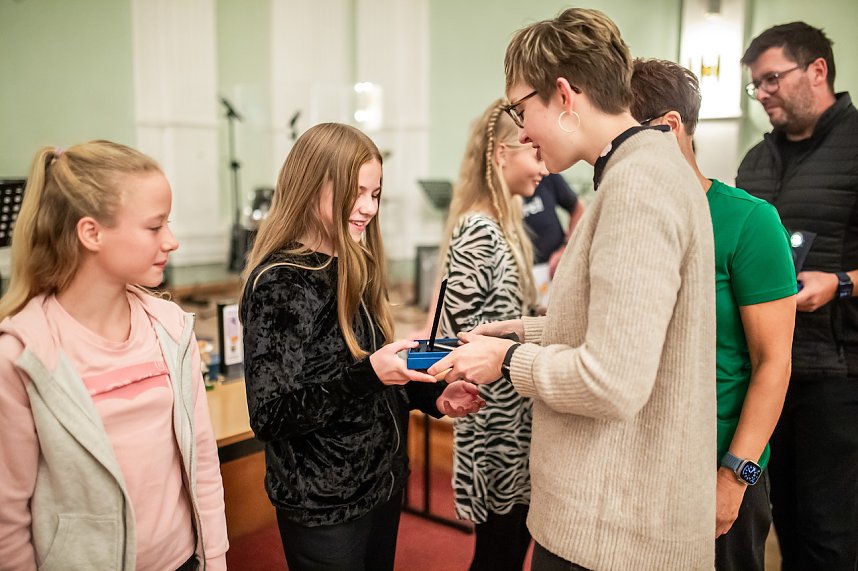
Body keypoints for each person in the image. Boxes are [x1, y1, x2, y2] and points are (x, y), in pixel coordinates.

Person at [430, 8, 717, 570]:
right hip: (611, 519)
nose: (524, 130)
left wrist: (508, 359)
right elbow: (626, 324)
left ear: (563, 95)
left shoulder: (638, 186)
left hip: (614, 533)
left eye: (520, 109)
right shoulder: (640, 169)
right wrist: (521, 329)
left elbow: (611, 383)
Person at [239, 122, 484, 571]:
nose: (370, 207)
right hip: (325, 503)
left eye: (376, 193)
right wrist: (369, 373)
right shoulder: (282, 282)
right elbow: (272, 416)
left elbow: (369, 378)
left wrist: (432, 396)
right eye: (359, 192)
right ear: (312, 184)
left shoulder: (352, 263)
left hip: (380, 484)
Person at [0, 141, 229, 570]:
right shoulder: (21, 355)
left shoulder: (172, 329)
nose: (173, 241)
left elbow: (202, 461)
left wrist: (213, 557)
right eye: (154, 226)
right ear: (91, 233)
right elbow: (6, 521)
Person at [630, 57, 797, 571]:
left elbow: (773, 362)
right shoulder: (629, 218)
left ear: (669, 128)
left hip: (717, 465)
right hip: (642, 464)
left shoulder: (749, 221)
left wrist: (733, 476)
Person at [735, 22, 858, 570]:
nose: (762, 94)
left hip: (834, 379)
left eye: (771, 80)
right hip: (764, 374)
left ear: (817, 70)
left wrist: (843, 283)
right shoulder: (756, 161)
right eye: (755, 85)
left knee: (828, 535)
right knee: (772, 518)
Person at [437, 99, 546, 571]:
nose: (544, 167)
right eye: (533, 154)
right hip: (493, 423)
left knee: (508, 547)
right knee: (498, 552)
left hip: (512, 415)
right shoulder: (479, 229)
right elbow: (454, 331)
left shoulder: (504, 225)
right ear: (501, 153)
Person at [522, 173, 583, 278]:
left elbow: (577, 208)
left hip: (554, 270)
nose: (543, 169)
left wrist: (565, 248)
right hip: (519, 276)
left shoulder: (546, 177)